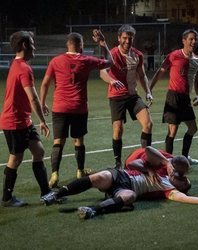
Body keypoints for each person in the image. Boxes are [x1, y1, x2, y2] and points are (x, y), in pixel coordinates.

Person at [40, 146, 198, 220]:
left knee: (130, 197)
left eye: (184, 181)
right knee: (99, 177)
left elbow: (185, 199)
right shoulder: (163, 170)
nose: (183, 178)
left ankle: (92, 210)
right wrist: (160, 165)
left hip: (125, 188)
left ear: (180, 187)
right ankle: (55, 195)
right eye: (184, 176)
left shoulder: (168, 189)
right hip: (122, 176)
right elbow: (148, 150)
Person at [40, 30, 114, 188]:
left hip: (60, 107)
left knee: (58, 141)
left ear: (67, 44)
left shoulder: (55, 61)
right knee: (78, 140)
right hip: (79, 108)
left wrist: (42, 102)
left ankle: (54, 175)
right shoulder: (86, 60)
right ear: (81, 45)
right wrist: (102, 43)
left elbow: (45, 83)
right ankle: (80, 171)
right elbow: (109, 62)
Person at [0, 31, 53, 207]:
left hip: (23, 120)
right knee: (15, 159)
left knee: (38, 152)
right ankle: (7, 198)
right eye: (32, 43)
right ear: (24, 45)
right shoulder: (23, 68)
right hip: (14, 121)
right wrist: (43, 121)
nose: (34, 46)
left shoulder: (18, 65)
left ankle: (46, 193)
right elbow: (33, 98)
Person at [99, 24, 153, 169]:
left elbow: (142, 76)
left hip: (133, 96)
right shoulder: (112, 54)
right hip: (116, 96)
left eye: (130, 38)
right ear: (119, 38)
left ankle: (146, 158)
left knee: (148, 124)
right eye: (124, 38)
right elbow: (102, 72)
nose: (127, 41)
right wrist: (111, 80)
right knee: (118, 129)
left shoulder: (138, 55)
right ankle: (118, 163)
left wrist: (148, 91)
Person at [150, 29, 198, 165]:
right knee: (172, 132)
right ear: (183, 40)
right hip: (173, 97)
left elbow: (196, 79)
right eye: (190, 39)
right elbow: (160, 72)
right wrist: (149, 89)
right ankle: (169, 162)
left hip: (186, 99)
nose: (193, 41)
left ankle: (184, 159)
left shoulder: (196, 60)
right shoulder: (174, 55)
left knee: (193, 128)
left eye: (195, 39)